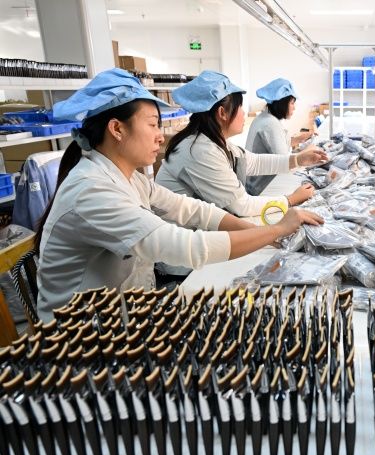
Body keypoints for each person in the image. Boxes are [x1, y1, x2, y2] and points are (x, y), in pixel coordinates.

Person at [36, 68, 323, 319]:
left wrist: (261, 232)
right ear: (117, 129)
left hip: (118, 312)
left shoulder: (129, 179)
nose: (160, 136)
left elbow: (193, 210)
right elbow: (187, 245)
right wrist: (277, 229)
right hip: (79, 335)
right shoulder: (92, 190)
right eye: (152, 124)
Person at [156, 71, 326, 217]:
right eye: (240, 107)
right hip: (181, 237)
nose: (244, 113)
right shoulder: (200, 150)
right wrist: (291, 200)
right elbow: (242, 206)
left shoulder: (213, 141)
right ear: (222, 113)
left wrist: (298, 159)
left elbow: (254, 162)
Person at [245, 78, 314, 195]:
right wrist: (308, 151)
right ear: (282, 103)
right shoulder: (270, 124)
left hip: (256, 182)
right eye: (292, 103)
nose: (294, 107)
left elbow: (277, 144)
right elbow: (285, 161)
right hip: (260, 188)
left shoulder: (264, 117)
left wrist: (299, 139)